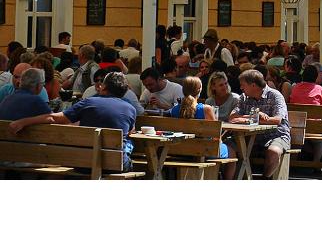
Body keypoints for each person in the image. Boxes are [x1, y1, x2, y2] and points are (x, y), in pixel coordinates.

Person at [7, 70, 139, 168]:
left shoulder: (88, 102)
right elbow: (130, 131)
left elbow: (53, 118)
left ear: (103, 86)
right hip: (116, 165)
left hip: (83, 163)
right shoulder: (130, 109)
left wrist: (23, 122)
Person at [228, 69, 290, 178]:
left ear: (253, 85)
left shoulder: (275, 96)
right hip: (248, 136)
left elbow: (277, 120)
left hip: (275, 135)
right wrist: (254, 117)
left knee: (274, 152)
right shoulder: (244, 97)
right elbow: (232, 118)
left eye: (243, 85)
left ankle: (265, 179)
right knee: (227, 147)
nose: (241, 88)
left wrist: (248, 119)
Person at [168, 76, 231, 159]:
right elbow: (216, 136)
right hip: (204, 151)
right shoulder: (206, 109)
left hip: (179, 150)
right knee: (231, 151)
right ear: (199, 89)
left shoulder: (174, 110)